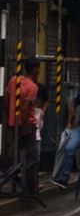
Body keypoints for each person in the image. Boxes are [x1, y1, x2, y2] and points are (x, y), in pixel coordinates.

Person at [4, 57, 41, 195]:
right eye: (38, 68)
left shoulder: (14, 80)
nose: (39, 70)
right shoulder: (33, 87)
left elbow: (6, 100)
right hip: (27, 125)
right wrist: (24, 127)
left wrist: (10, 118)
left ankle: (20, 183)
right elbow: (25, 108)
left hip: (14, 123)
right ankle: (31, 189)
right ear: (34, 69)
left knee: (16, 154)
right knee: (30, 158)